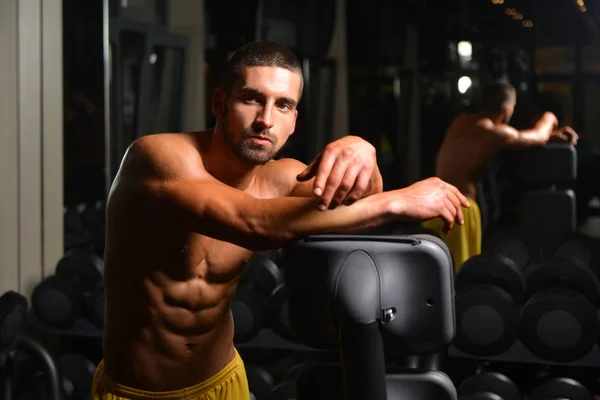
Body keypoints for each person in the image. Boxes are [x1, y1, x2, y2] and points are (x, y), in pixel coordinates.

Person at [92, 40, 470, 400]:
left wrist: (362, 151)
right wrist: (400, 200)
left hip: (223, 381)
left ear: (294, 122)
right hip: (135, 390)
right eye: (251, 99)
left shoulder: (284, 179)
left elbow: (360, 207)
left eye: (283, 106)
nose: (265, 120)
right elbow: (253, 222)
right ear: (220, 102)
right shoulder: (157, 158)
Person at [422, 81, 578, 271]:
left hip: (434, 208)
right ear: (506, 109)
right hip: (460, 211)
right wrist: (549, 117)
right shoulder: (492, 132)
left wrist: (553, 135)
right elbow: (538, 136)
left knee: (437, 276)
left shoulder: (461, 123)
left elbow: (511, 137)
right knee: (461, 278)